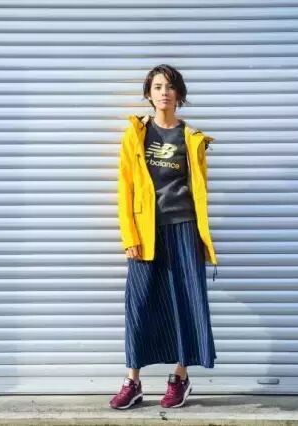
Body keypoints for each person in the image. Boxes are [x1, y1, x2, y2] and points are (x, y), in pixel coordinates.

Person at [109, 64, 219, 410]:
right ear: (149, 93)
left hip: (184, 228)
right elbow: (125, 188)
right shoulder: (136, 135)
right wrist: (129, 235)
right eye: (157, 86)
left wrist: (201, 237)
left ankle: (180, 377)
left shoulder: (192, 137)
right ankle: (132, 381)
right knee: (140, 305)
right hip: (146, 232)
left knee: (186, 303)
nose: (164, 92)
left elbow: (199, 190)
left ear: (179, 94)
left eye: (170, 87)